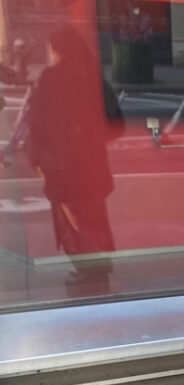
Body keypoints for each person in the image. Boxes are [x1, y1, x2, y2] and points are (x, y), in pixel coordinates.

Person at [27, 25, 122, 295]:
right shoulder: (93, 76)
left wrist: (35, 157)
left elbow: (38, 125)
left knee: (71, 219)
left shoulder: (50, 79)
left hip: (61, 165)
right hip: (90, 165)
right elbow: (116, 124)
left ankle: (87, 270)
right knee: (93, 216)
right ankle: (98, 268)